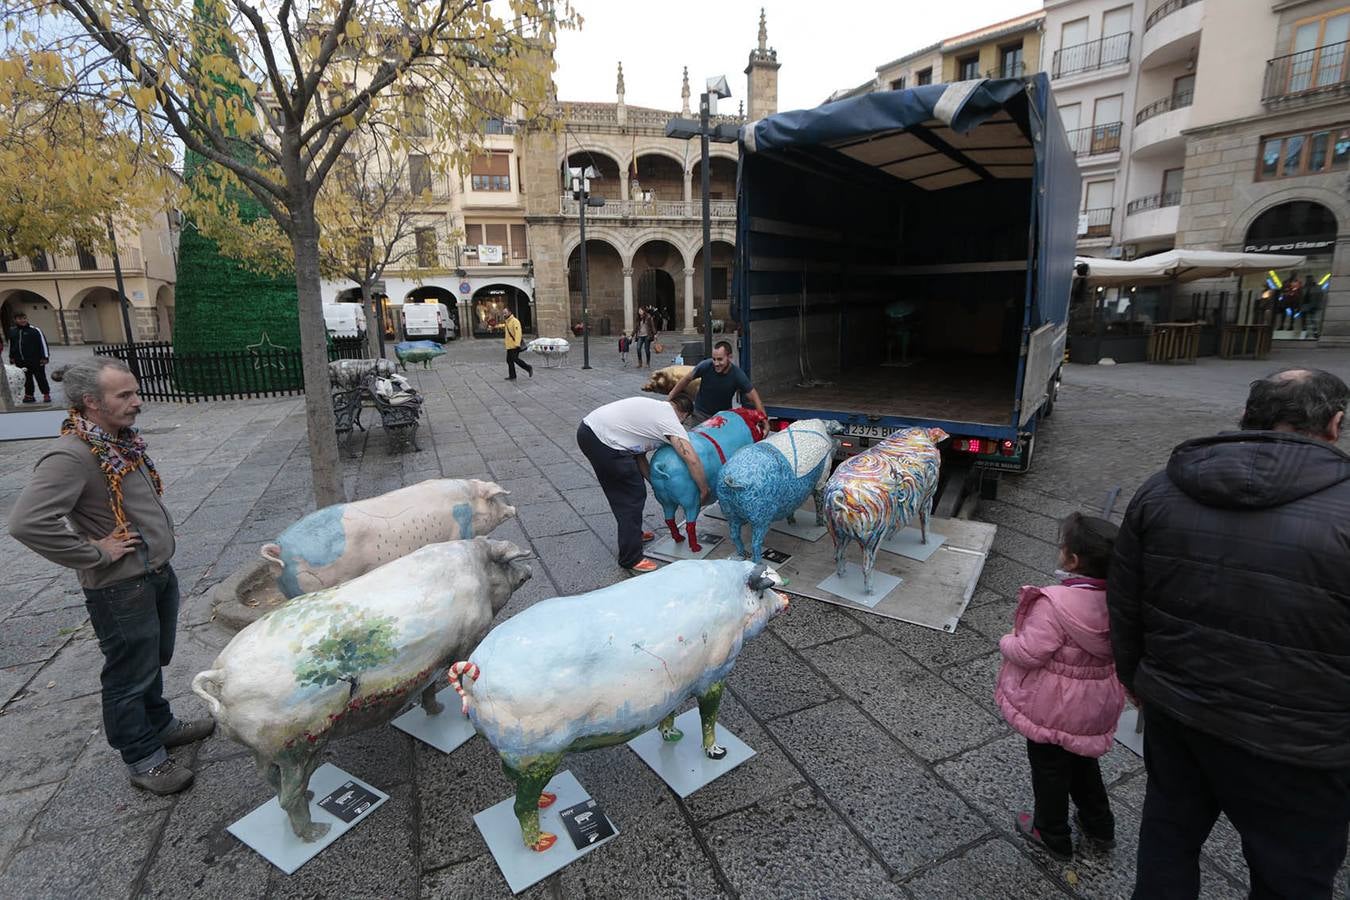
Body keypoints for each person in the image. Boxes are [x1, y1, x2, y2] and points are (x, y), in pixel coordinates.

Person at [1109, 368, 1350, 899]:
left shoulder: (1161, 489)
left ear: (1246, 415)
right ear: (1335, 424)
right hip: (1301, 744)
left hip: (1177, 711)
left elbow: (1123, 605)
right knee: (1292, 874)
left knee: (1168, 841)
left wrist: (1139, 683)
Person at [8, 357, 213, 795]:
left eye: (135, 392)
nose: (137, 402)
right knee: (127, 673)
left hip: (153, 572)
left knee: (149, 660)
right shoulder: (73, 454)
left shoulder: (118, 442)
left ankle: (159, 723)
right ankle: (143, 757)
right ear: (91, 402)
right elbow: (27, 523)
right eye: (125, 395)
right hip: (121, 587)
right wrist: (93, 552)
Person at [996, 512, 1125, 861]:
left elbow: (1029, 652)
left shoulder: (1054, 604)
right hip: (1095, 706)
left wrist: (1007, 641)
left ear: (1072, 559)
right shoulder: (1121, 602)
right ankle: (1100, 825)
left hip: (1055, 707)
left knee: (1050, 770)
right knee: (1084, 764)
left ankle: (1051, 833)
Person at [576, 393, 710, 574]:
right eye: (684, 421)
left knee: (621, 489)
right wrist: (703, 489)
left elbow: (638, 454)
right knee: (631, 496)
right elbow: (691, 458)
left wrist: (654, 483)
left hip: (589, 431)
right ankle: (631, 558)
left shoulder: (656, 408)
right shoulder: (671, 421)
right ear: (684, 414)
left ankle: (633, 535)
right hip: (604, 441)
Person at [667, 340, 766, 425]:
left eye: (720, 359)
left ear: (730, 357)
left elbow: (754, 397)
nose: (716, 363)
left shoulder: (737, 375)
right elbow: (686, 379)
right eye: (714, 359)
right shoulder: (705, 366)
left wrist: (764, 420)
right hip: (700, 415)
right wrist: (671, 396)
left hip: (721, 417)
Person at [8, 311, 51, 403]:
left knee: (40, 377)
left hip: (36, 360)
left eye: (24, 318)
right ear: (15, 320)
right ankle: (29, 395)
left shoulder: (35, 330)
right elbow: (12, 345)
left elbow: (43, 343)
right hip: (21, 361)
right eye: (20, 319)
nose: (22, 320)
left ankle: (46, 394)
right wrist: (11, 357)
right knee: (26, 379)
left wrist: (45, 357)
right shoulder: (13, 331)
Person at [503, 309, 532, 381]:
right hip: (509, 345)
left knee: (515, 359)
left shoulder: (514, 321)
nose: (504, 314)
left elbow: (518, 333)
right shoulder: (507, 322)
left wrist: (517, 343)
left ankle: (528, 367)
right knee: (509, 360)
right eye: (503, 313)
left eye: (505, 313)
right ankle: (512, 376)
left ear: (510, 312)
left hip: (514, 345)